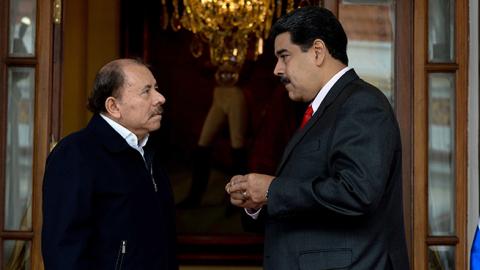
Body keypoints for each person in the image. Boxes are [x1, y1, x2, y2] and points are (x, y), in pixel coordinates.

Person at [225, 6, 409, 270]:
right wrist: (256, 202)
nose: (277, 69)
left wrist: (271, 190)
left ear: (318, 51)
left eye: (284, 56)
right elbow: (305, 203)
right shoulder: (319, 110)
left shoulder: (362, 103)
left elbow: (357, 193)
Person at [42, 59, 178, 270]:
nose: (160, 98)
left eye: (157, 89)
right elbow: (64, 251)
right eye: (146, 91)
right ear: (113, 106)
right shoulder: (76, 153)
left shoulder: (147, 152)